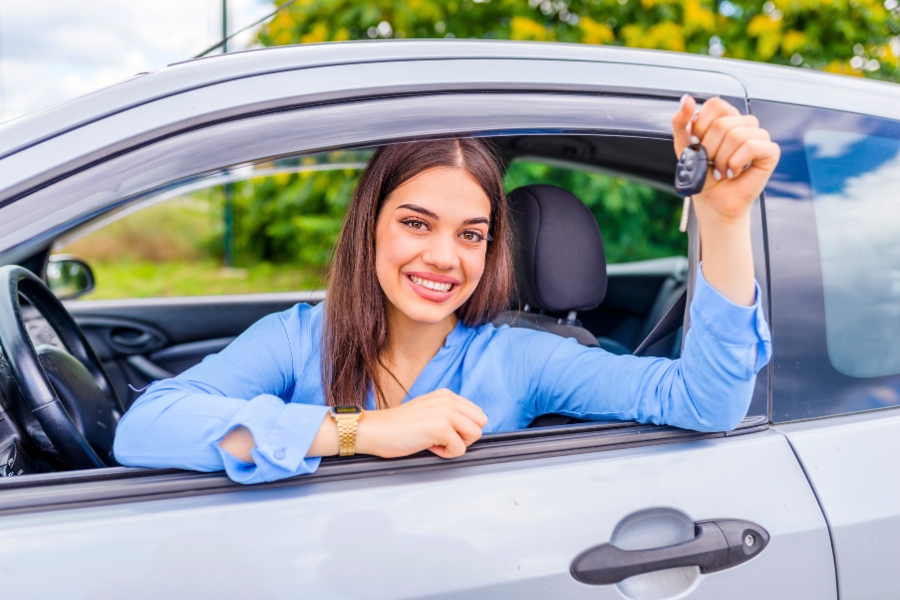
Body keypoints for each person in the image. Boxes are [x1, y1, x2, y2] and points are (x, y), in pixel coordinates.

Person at [113, 95, 776, 484]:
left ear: (492, 249)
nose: (443, 257)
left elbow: (705, 402)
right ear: (369, 228)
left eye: (471, 234)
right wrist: (363, 431)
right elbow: (147, 428)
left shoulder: (521, 358)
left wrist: (723, 220)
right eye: (415, 223)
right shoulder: (298, 338)